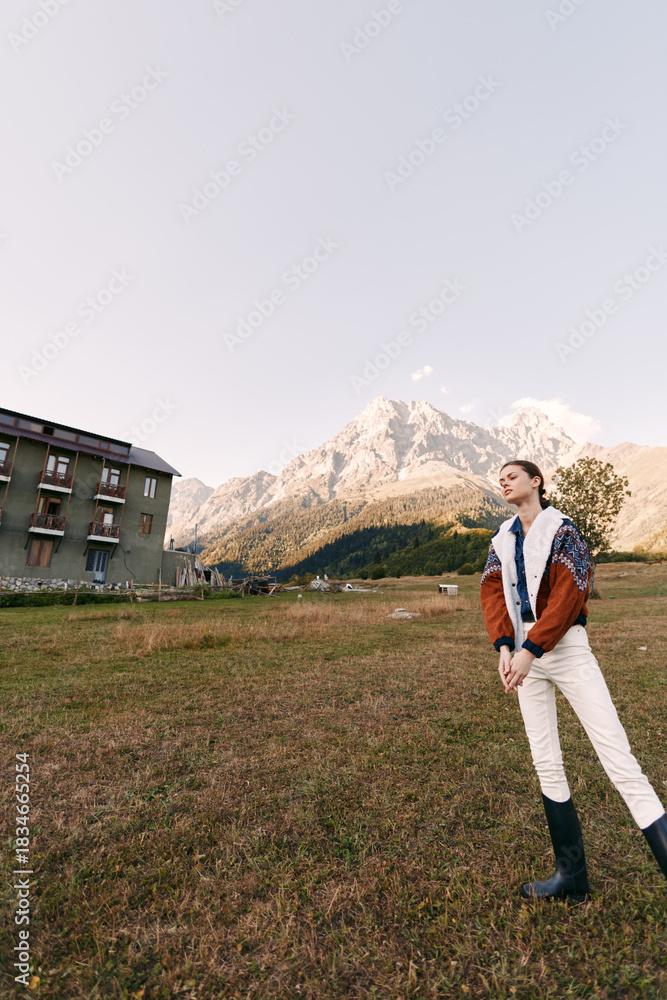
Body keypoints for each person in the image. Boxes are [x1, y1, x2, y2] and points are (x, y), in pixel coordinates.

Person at [480, 458, 667, 901]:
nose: (504, 482)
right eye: (500, 479)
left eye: (513, 476)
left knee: (619, 760)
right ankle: (572, 877)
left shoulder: (562, 529)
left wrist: (530, 649)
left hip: (564, 649)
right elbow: (491, 591)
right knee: (546, 761)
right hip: (524, 653)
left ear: (536, 482)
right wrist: (506, 647)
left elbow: (571, 591)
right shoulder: (501, 540)